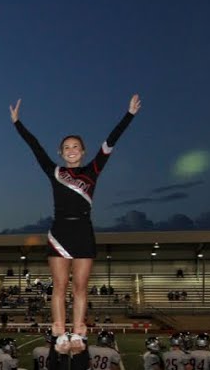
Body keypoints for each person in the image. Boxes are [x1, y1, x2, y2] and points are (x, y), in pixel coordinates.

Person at [10, 94, 140, 336]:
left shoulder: (93, 169)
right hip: (59, 232)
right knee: (59, 286)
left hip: (83, 232)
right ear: (61, 152)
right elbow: (35, 147)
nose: (71, 150)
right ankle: (59, 330)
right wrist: (18, 123)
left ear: (83, 151)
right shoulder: (55, 171)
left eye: (75, 146)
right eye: (67, 147)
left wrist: (129, 115)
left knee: (80, 287)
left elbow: (110, 142)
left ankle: (79, 329)